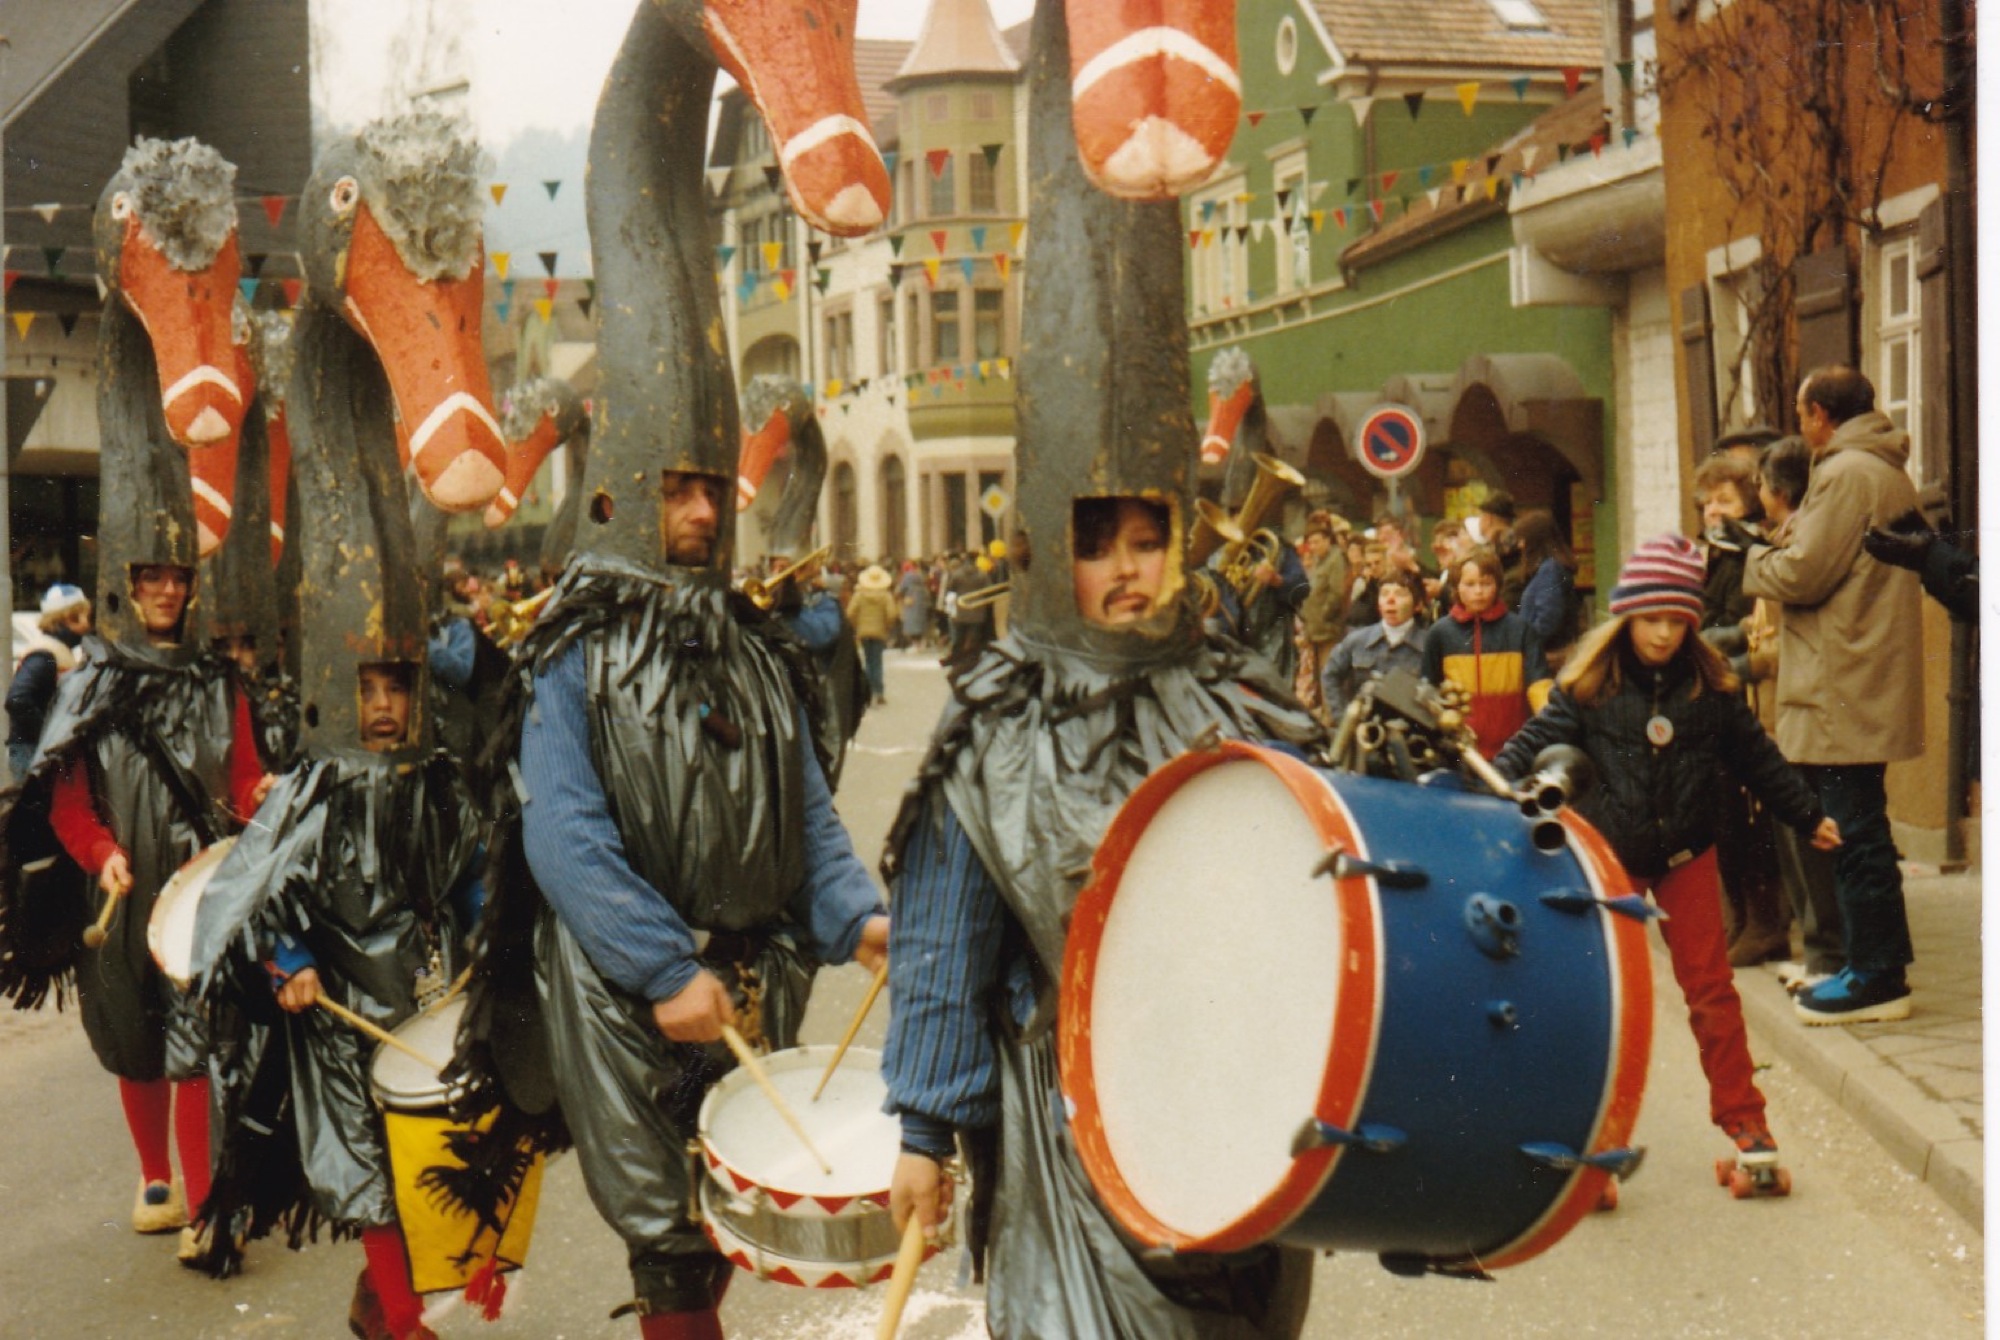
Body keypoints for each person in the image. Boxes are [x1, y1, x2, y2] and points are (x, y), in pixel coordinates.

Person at [468, 465, 888, 1339]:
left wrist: (856, 918)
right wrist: (660, 965)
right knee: (666, 1238)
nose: (703, 511)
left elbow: (803, 810)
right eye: (676, 489)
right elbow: (566, 831)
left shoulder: (754, 645)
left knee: (721, 1214)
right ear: (620, 494)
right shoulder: (568, 649)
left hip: (751, 979)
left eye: (710, 489)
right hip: (630, 994)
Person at [1495, 533, 1840, 1186]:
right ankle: (1591, 1136)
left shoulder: (1709, 688)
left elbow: (1756, 759)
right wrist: (1489, 779)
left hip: (1686, 854)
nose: (1663, 633)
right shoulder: (1590, 685)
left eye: (1677, 620)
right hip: (1607, 861)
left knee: (1711, 992)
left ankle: (1748, 1126)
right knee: (1599, 999)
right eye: (1651, 618)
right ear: (1627, 616)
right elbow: (1536, 739)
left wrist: (1807, 814)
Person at [190, 658, 484, 1340]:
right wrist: (288, 960)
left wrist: (489, 930)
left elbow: (471, 870)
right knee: (368, 1166)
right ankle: (405, 1324)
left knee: (428, 1159)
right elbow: (250, 889)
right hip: (339, 1007)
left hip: (425, 998)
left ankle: (378, 1302)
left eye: (397, 688)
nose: (383, 705)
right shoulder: (311, 787)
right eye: (366, 689)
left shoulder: (438, 782)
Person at [36, 562, 270, 1255]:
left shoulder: (218, 683)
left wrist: (261, 800)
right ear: (125, 585)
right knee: (133, 1036)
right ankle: (155, 1178)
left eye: (177, 577)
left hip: (198, 888)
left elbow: (244, 773)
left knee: (194, 1037)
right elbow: (66, 801)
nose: (167, 590)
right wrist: (101, 851)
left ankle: (203, 1206)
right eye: (150, 577)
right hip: (122, 888)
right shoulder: (87, 685)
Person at [1738, 366, 1924, 1025]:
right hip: (1861, 671)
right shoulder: (1881, 468)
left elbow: (1804, 573)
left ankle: (1875, 977)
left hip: (1846, 677)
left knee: (1854, 834)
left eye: (1800, 411)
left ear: (1820, 413)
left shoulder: (1846, 473)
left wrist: (1749, 559)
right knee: (1861, 828)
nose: (1798, 423)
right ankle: (1872, 966)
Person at [1730, 437, 1844, 989]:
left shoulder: (1799, 542)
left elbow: (1782, 643)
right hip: (1775, 710)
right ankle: (1817, 952)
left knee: (1802, 833)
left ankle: (1826, 955)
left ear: (1777, 490)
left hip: (1788, 705)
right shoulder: (1784, 537)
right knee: (1786, 833)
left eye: (1759, 484)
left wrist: (1743, 663)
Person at [1421, 546, 1551, 758]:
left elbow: (1539, 684)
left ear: (1498, 585)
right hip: (1459, 751)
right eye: (1470, 584)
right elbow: (1428, 689)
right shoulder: (1440, 633)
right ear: (1456, 587)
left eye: (1486, 583)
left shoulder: (1520, 630)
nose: (1478, 591)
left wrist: (1548, 723)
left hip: (1515, 748)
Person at [7, 583, 92, 781]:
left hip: (34, 749)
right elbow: (18, 699)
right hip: (32, 750)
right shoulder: (45, 654)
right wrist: (49, 733)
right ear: (69, 617)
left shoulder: (54, 651)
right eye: (85, 617)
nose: (89, 625)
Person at [1319, 570, 1427, 722]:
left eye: (1400, 594)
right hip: (1362, 732)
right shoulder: (1357, 641)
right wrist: (1343, 718)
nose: (1390, 599)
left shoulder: (1428, 646)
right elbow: (1330, 674)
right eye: (1384, 593)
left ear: (1418, 605)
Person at [1511, 509, 1581, 666]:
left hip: (1549, 657)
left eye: (1523, 539)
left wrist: (1526, 643)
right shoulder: (1553, 568)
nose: (1520, 545)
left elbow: (1548, 618)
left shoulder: (1550, 570)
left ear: (1535, 540)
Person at [847, 563, 899, 705]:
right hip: (879, 632)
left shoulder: (859, 595)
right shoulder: (886, 595)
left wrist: (856, 625)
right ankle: (879, 692)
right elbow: (892, 614)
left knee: (868, 661)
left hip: (863, 632)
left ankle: (868, 692)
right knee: (877, 661)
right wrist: (887, 626)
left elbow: (850, 613)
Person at [895, 559, 931, 649]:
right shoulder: (919, 575)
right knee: (920, 622)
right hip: (921, 601)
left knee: (911, 623)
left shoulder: (907, 576)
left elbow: (902, 588)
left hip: (910, 601)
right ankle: (922, 642)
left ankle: (916, 644)